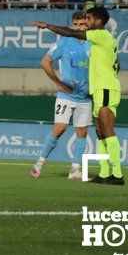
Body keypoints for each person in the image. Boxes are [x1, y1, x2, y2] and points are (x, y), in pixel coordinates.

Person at [32, 7, 124, 185]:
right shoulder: (90, 40)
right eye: (79, 22)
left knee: (103, 131)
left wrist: (47, 26)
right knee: (98, 132)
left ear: (96, 21)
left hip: (100, 91)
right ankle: (105, 173)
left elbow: (72, 33)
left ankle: (117, 175)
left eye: (87, 20)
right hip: (92, 92)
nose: (84, 25)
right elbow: (117, 64)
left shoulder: (98, 36)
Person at [30, 12, 91, 180]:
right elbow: (45, 62)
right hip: (67, 95)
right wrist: (58, 83)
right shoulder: (64, 42)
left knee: (82, 132)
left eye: (83, 24)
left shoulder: (93, 43)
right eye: (76, 24)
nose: (80, 27)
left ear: (88, 25)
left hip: (86, 96)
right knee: (60, 129)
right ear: (72, 26)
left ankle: (75, 170)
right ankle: (39, 164)